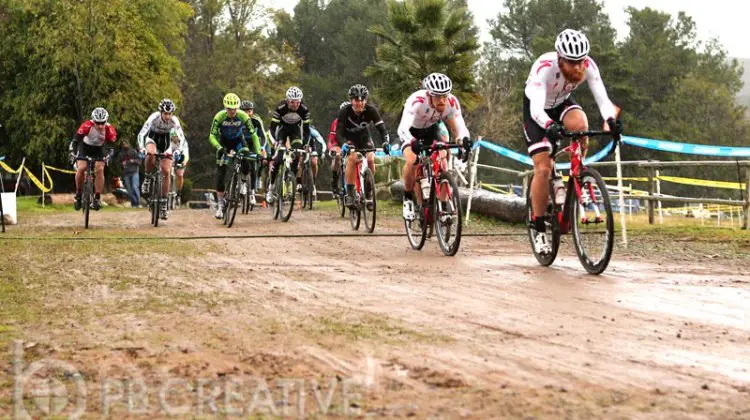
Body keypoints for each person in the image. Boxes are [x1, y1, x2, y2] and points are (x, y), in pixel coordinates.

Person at [524, 29, 623, 254]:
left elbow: (603, 99)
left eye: (581, 62)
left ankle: (576, 175)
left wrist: (611, 120)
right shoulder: (544, 68)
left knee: (581, 126)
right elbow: (537, 109)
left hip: (562, 102)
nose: (578, 68)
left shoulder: (588, 66)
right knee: (542, 168)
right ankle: (539, 227)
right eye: (572, 63)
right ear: (560, 60)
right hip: (537, 109)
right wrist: (549, 126)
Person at [397, 73, 471, 221]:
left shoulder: (452, 102)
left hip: (431, 130)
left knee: (443, 160)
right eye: (437, 96)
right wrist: (412, 141)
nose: (442, 100)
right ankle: (408, 198)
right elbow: (403, 128)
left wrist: (464, 141)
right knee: (412, 161)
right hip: (410, 130)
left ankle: (443, 207)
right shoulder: (416, 100)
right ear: (429, 95)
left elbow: (460, 126)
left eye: (444, 96)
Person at [336, 84, 390, 208]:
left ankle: (369, 190)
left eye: (362, 100)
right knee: (352, 158)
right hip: (349, 139)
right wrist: (343, 144)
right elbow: (339, 132)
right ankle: (350, 194)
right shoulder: (344, 112)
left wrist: (385, 142)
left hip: (364, 137)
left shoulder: (371, 110)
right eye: (356, 100)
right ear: (351, 100)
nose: (359, 103)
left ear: (365, 100)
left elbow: (382, 129)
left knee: (371, 159)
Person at [209, 93, 261, 219]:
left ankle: (243, 182)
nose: (232, 111)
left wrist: (258, 152)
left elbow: (253, 135)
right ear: (225, 108)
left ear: (237, 108)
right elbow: (212, 136)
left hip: (239, 141)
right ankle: (221, 204)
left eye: (234, 109)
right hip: (224, 142)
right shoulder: (219, 117)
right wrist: (219, 148)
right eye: (229, 109)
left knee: (246, 159)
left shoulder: (243, 116)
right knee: (221, 174)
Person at [137, 98, 187, 219]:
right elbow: (142, 134)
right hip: (152, 138)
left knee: (166, 170)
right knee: (151, 153)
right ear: (161, 112)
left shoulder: (174, 121)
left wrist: (178, 151)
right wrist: (142, 148)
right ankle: (148, 177)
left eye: (170, 113)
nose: (167, 116)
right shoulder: (153, 117)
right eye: (165, 113)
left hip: (166, 141)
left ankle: (164, 202)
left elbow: (181, 138)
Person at [266, 86, 311, 203]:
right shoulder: (281, 108)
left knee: (296, 155)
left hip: (295, 132)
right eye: (292, 102)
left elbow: (307, 130)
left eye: (297, 102)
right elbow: (272, 128)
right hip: (281, 131)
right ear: (287, 100)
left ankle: (290, 181)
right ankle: (271, 187)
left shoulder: (304, 109)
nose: (295, 105)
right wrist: (275, 142)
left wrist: (306, 145)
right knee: (278, 159)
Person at [69, 107, 117, 211]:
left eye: (102, 123)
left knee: (100, 169)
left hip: (99, 149)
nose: (100, 125)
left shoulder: (109, 129)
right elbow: (75, 141)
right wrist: (72, 152)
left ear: (106, 121)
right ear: (93, 120)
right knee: (81, 168)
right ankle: (78, 195)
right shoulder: (87, 125)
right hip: (85, 148)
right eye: (97, 123)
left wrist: (108, 156)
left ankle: (97, 198)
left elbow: (111, 147)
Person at [240, 100, 267, 202]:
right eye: (245, 111)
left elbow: (263, 136)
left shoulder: (256, 120)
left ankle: (252, 193)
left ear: (253, 111)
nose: (247, 113)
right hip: (241, 142)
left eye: (249, 111)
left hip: (253, 142)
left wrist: (262, 148)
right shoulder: (237, 118)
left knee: (253, 165)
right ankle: (241, 182)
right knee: (244, 163)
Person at [328, 101, 349, 194]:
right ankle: (335, 180)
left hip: (350, 143)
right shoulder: (336, 122)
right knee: (337, 157)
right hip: (337, 143)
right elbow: (332, 139)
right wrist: (332, 149)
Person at [119, 141, 142, 208]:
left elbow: (140, 161)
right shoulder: (121, 154)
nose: (124, 145)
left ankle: (138, 203)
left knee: (135, 187)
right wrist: (122, 164)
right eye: (123, 144)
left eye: (126, 143)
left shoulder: (133, 151)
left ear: (128, 144)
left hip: (134, 171)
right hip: (126, 173)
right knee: (129, 190)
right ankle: (133, 204)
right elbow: (119, 164)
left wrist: (133, 161)